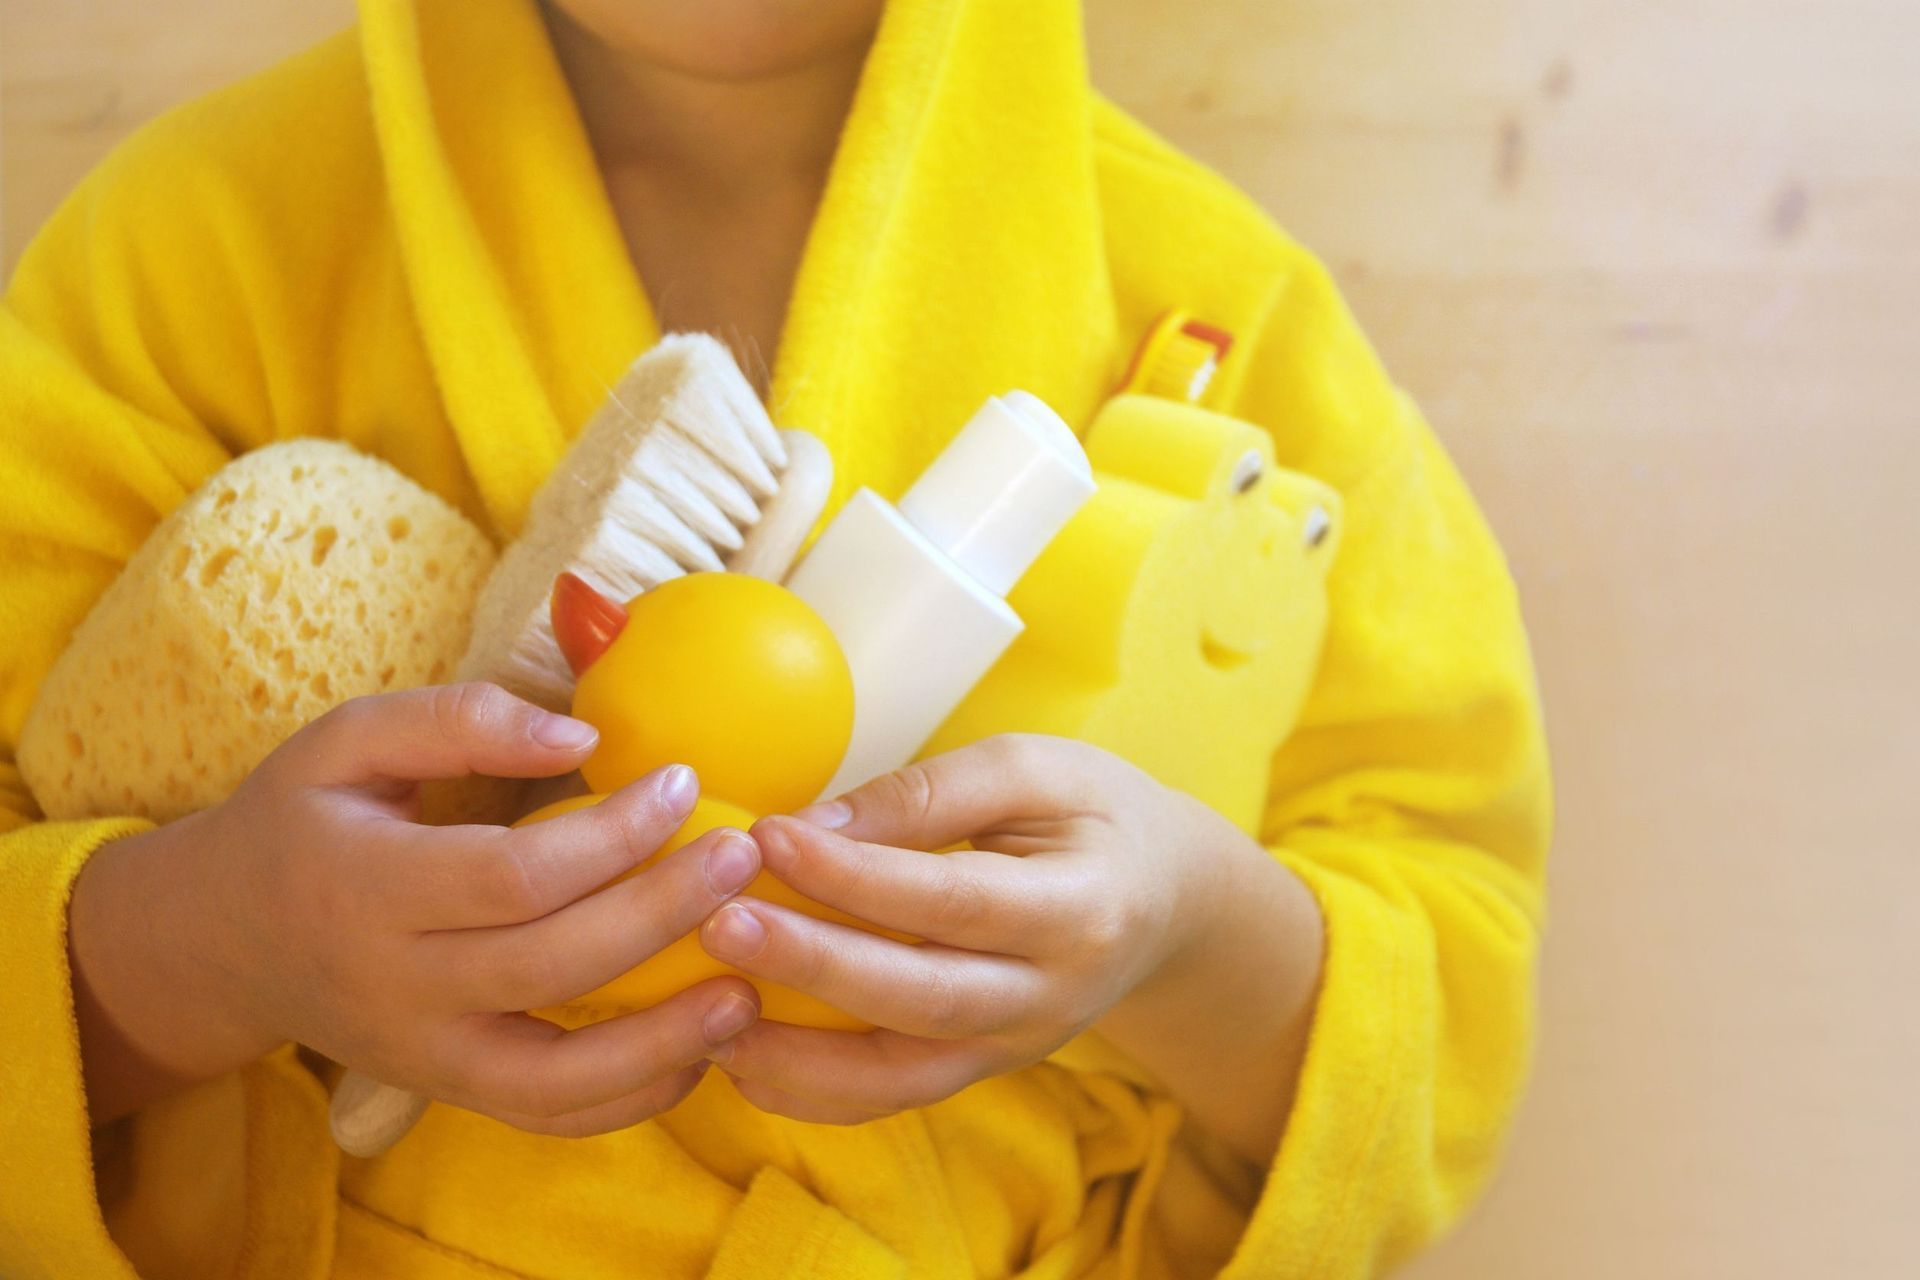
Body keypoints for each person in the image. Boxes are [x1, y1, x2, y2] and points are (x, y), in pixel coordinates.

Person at [0, 1, 1551, 1276]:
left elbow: (1442, 1013)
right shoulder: (195, 253)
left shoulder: (1233, 326)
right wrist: (217, 940)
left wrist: (1188, 933)